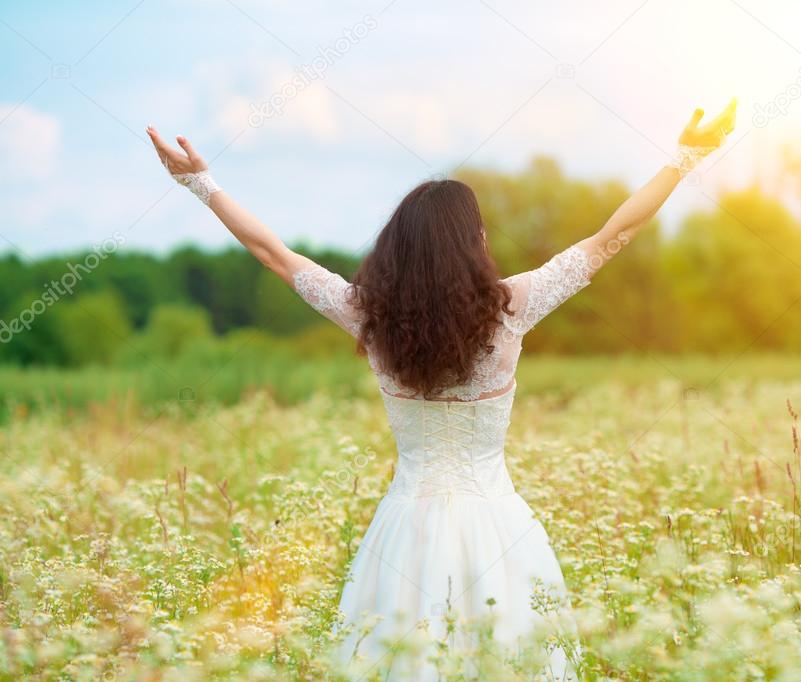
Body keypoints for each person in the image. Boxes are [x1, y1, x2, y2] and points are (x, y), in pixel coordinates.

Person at [146, 98, 736, 679]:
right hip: (499, 529)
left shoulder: (367, 315)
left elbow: (272, 254)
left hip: (404, 532)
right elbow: (616, 235)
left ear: (400, 248)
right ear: (472, 242)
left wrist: (202, 184)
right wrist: (684, 161)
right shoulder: (512, 307)